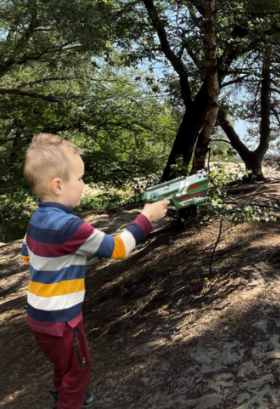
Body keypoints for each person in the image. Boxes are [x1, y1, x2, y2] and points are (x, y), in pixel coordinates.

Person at [19, 134, 169, 409]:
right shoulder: (69, 226)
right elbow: (118, 248)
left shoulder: (36, 219)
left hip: (38, 318)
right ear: (58, 185)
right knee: (79, 370)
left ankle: (62, 395)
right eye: (79, 179)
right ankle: (69, 403)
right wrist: (147, 217)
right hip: (63, 322)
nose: (84, 185)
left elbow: (27, 255)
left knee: (62, 364)